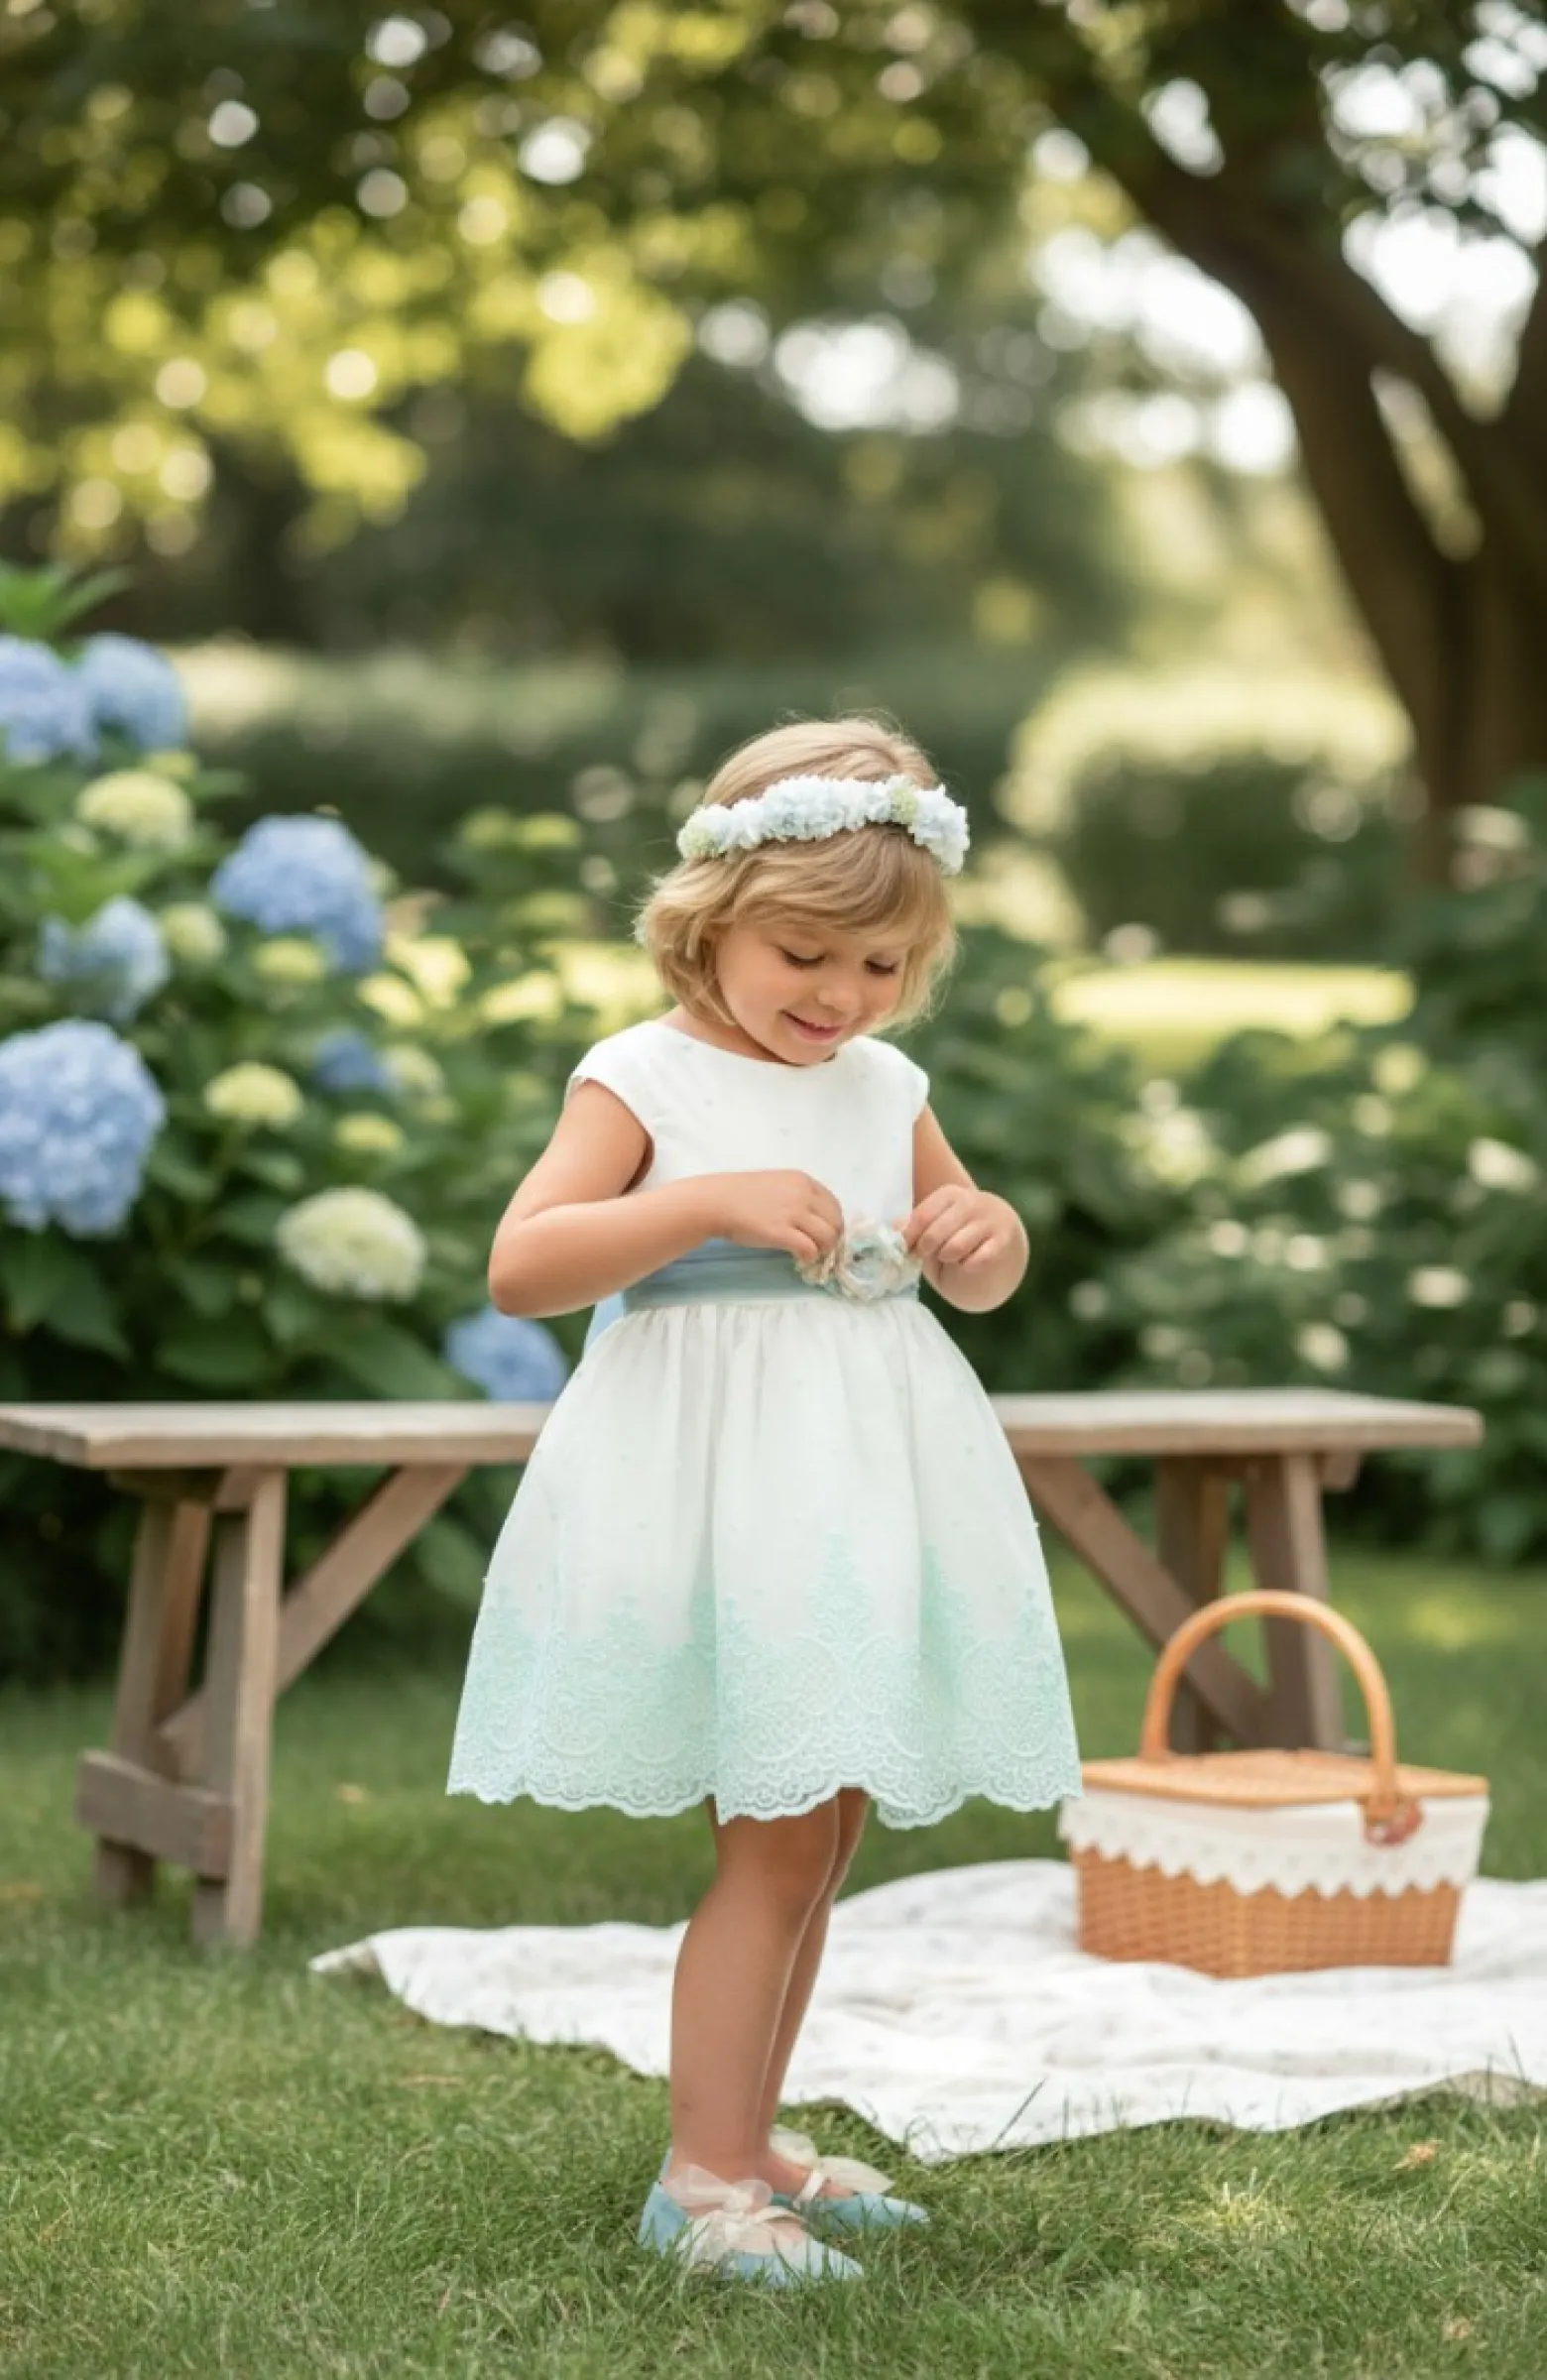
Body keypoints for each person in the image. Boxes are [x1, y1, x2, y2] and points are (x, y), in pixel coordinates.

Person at [446, 716, 1081, 2288]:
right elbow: (524, 1264)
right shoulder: (643, 1077)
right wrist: (700, 1204)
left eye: (881, 966)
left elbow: (969, 1258)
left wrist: (983, 1237)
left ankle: (751, 2138)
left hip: (857, 1487)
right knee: (777, 1833)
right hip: (725, 1491)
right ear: (712, 917)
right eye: (805, 954)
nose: (840, 996)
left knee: (825, 1818)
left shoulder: (884, 1084)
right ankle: (705, 2178)